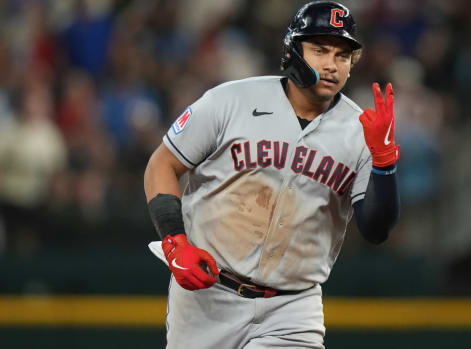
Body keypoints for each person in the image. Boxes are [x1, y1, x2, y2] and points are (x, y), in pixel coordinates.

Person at [144, 1, 400, 348]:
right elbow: (162, 164)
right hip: (208, 294)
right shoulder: (231, 100)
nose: (331, 64)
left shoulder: (362, 132)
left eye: (342, 55)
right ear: (294, 51)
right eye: (320, 50)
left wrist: (384, 162)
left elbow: (376, 230)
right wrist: (175, 240)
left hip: (292, 305)